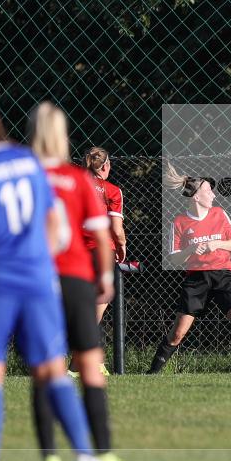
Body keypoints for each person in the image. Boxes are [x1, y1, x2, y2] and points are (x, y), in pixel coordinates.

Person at [0, 91, 102, 461]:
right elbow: (54, 224)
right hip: (37, 278)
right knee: (53, 368)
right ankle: (86, 458)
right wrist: (40, 256)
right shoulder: (26, 159)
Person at [28, 102, 141, 461]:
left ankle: (48, 457)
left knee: (41, 364)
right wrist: (115, 258)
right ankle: (100, 453)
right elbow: (107, 231)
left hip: (37, 268)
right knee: (92, 348)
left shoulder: (27, 176)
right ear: (105, 165)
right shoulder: (93, 185)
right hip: (82, 263)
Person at [147, 163, 231, 374]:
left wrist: (217, 244)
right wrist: (191, 249)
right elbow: (174, 259)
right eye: (208, 190)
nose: (213, 194)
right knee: (178, 333)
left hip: (224, 275)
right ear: (196, 197)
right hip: (197, 280)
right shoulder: (180, 222)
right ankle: (151, 373)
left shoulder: (219, 214)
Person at [82, 146, 127, 376]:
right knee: (97, 308)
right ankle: (86, 360)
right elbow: (117, 230)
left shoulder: (75, 185)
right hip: (101, 251)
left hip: (76, 252)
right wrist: (122, 247)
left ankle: (90, 359)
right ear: (106, 165)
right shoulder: (113, 190)